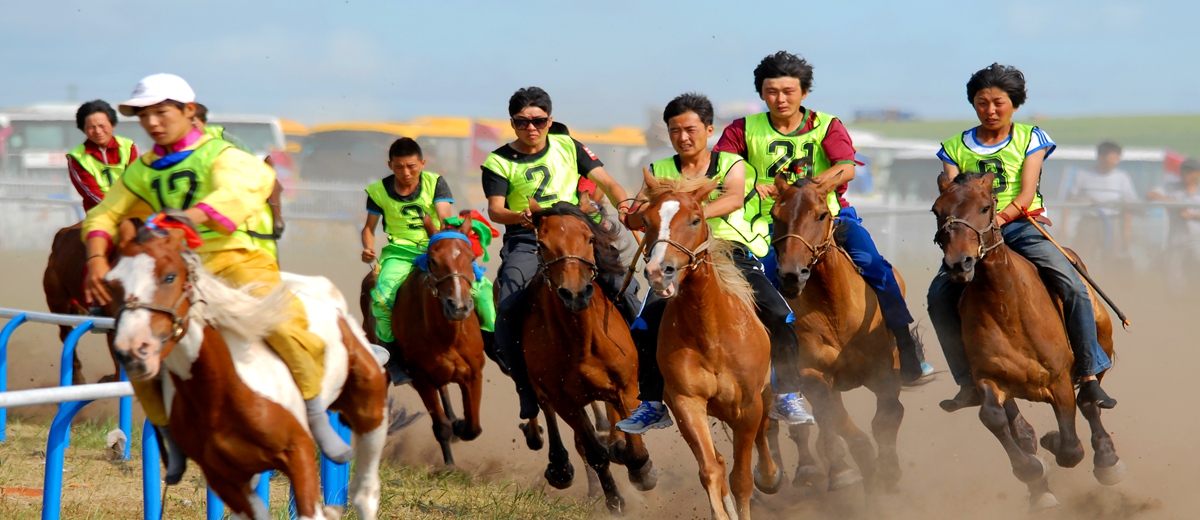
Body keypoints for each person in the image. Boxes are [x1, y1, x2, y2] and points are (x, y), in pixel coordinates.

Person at [81, 74, 353, 483]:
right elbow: (106, 212)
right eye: (144, 116)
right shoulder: (145, 168)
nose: (153, 123)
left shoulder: (222, 154)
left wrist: (190, 217)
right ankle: (170, 436)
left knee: (285, 322)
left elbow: (244, 188)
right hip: (175, 268)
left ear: (189, 111)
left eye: (162, 112)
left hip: (235, 258)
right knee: (131, 340)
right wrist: (97, 257)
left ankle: (316, 417)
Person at [713, 51, 930, 417]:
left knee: (876, 266)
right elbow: (722, 170)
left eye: (788, 91)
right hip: (766, 224)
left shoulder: (827, 125)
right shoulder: (741, 129)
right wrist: (756, 185)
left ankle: (905, 346)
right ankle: (758, 365)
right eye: (772, 91)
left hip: (826, 218)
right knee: (754, 283)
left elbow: (846, 168)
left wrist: (813, 187)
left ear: (804, 92)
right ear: (762, 94)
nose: (780, 99)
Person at [930, 63, 1117, 412]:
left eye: (998, 102)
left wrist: (996, 222)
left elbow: (1026, 194)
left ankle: (1089, 376)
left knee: (1073, 286)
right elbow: (953, 194)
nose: (990, 110)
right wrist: (972, 231)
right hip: (974, 236)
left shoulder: (1030, 138)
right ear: (973, 104)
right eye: (982, 102)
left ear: (1014, 104)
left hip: (1021, 225)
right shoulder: (954, 146)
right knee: (938, 295)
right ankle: (967, 380)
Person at [617, 92, 789, 433]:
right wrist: (638, 216)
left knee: (781, 313)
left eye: (691, 129)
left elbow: (734, 198)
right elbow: (636, 215)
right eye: (675, 130)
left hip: (729, 251)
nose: (683, 137)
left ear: (709, 130)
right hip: (674, 260)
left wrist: (688, 215)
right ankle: (651, 402)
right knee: (644, 322)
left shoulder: (732, 165)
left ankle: (787, 391)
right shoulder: (659, 170)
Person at [481, 86, 640, 421]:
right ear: (512, 124)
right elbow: (495, 210)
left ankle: (647, 362)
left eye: (538, 120)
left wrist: (623, 202)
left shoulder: (568, 145)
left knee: (620, 281)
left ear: (550, 120)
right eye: (522, 122)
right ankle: (524, 385)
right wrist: (519, 217)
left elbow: (609, 183)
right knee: (509, 295)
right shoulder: (497, 161)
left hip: (578, 232)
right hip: (530, 239)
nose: (531, 128)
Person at [361, 137, 496, 385]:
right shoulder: (378, 191)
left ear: (422, 163)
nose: (406, 172)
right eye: (400, 167)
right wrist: (368, 248)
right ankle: (393, 358)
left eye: (411, 166)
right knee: (381, 298)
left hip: (436, 247)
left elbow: (444, 216)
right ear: (390, 165)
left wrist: (445, 240)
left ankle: (494, 343)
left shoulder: (436, 183)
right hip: (399, 252)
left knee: (482, 289)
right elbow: (368, 229)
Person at [193, 103, 286, 249]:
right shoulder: (168, 150)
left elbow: (255, 169)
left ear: (203, 123)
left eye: (194, 123)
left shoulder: (223, 139)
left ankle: (276, 221)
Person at [1062, 141, 1138, 271]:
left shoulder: (1122, 177)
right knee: (1082, 255)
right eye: (1112, 157)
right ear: (1101, 157)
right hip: (1088, 221)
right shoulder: (1083, 174)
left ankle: (1108, 282)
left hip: (1112, 222)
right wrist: (1064, 225)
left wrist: (1126, 230)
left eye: (1117, 158)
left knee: (1112, 256)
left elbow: (1128, 205)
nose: (1116, 161)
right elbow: (1070, 199)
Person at [67, 100, 139, 211]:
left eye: (102, 125)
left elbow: (136, 182)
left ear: (112, 125)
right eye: (91, 127)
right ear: (83, 130)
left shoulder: (129, 146)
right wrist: (115, 211)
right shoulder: (76, 157)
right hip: (100, 213)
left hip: (133, 208)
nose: (98, 131)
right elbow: (90, 192)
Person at [1147, 158, 1200, 299]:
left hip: (1197, 239)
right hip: (1176, 238)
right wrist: (1172, 202)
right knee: (1172, 269)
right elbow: (1150, 194)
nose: (1186, 174)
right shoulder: (1171, 187)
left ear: (1197, 173)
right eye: (1183, 171)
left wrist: (1193, 215)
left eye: (1190, 171)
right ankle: (1176, 298)